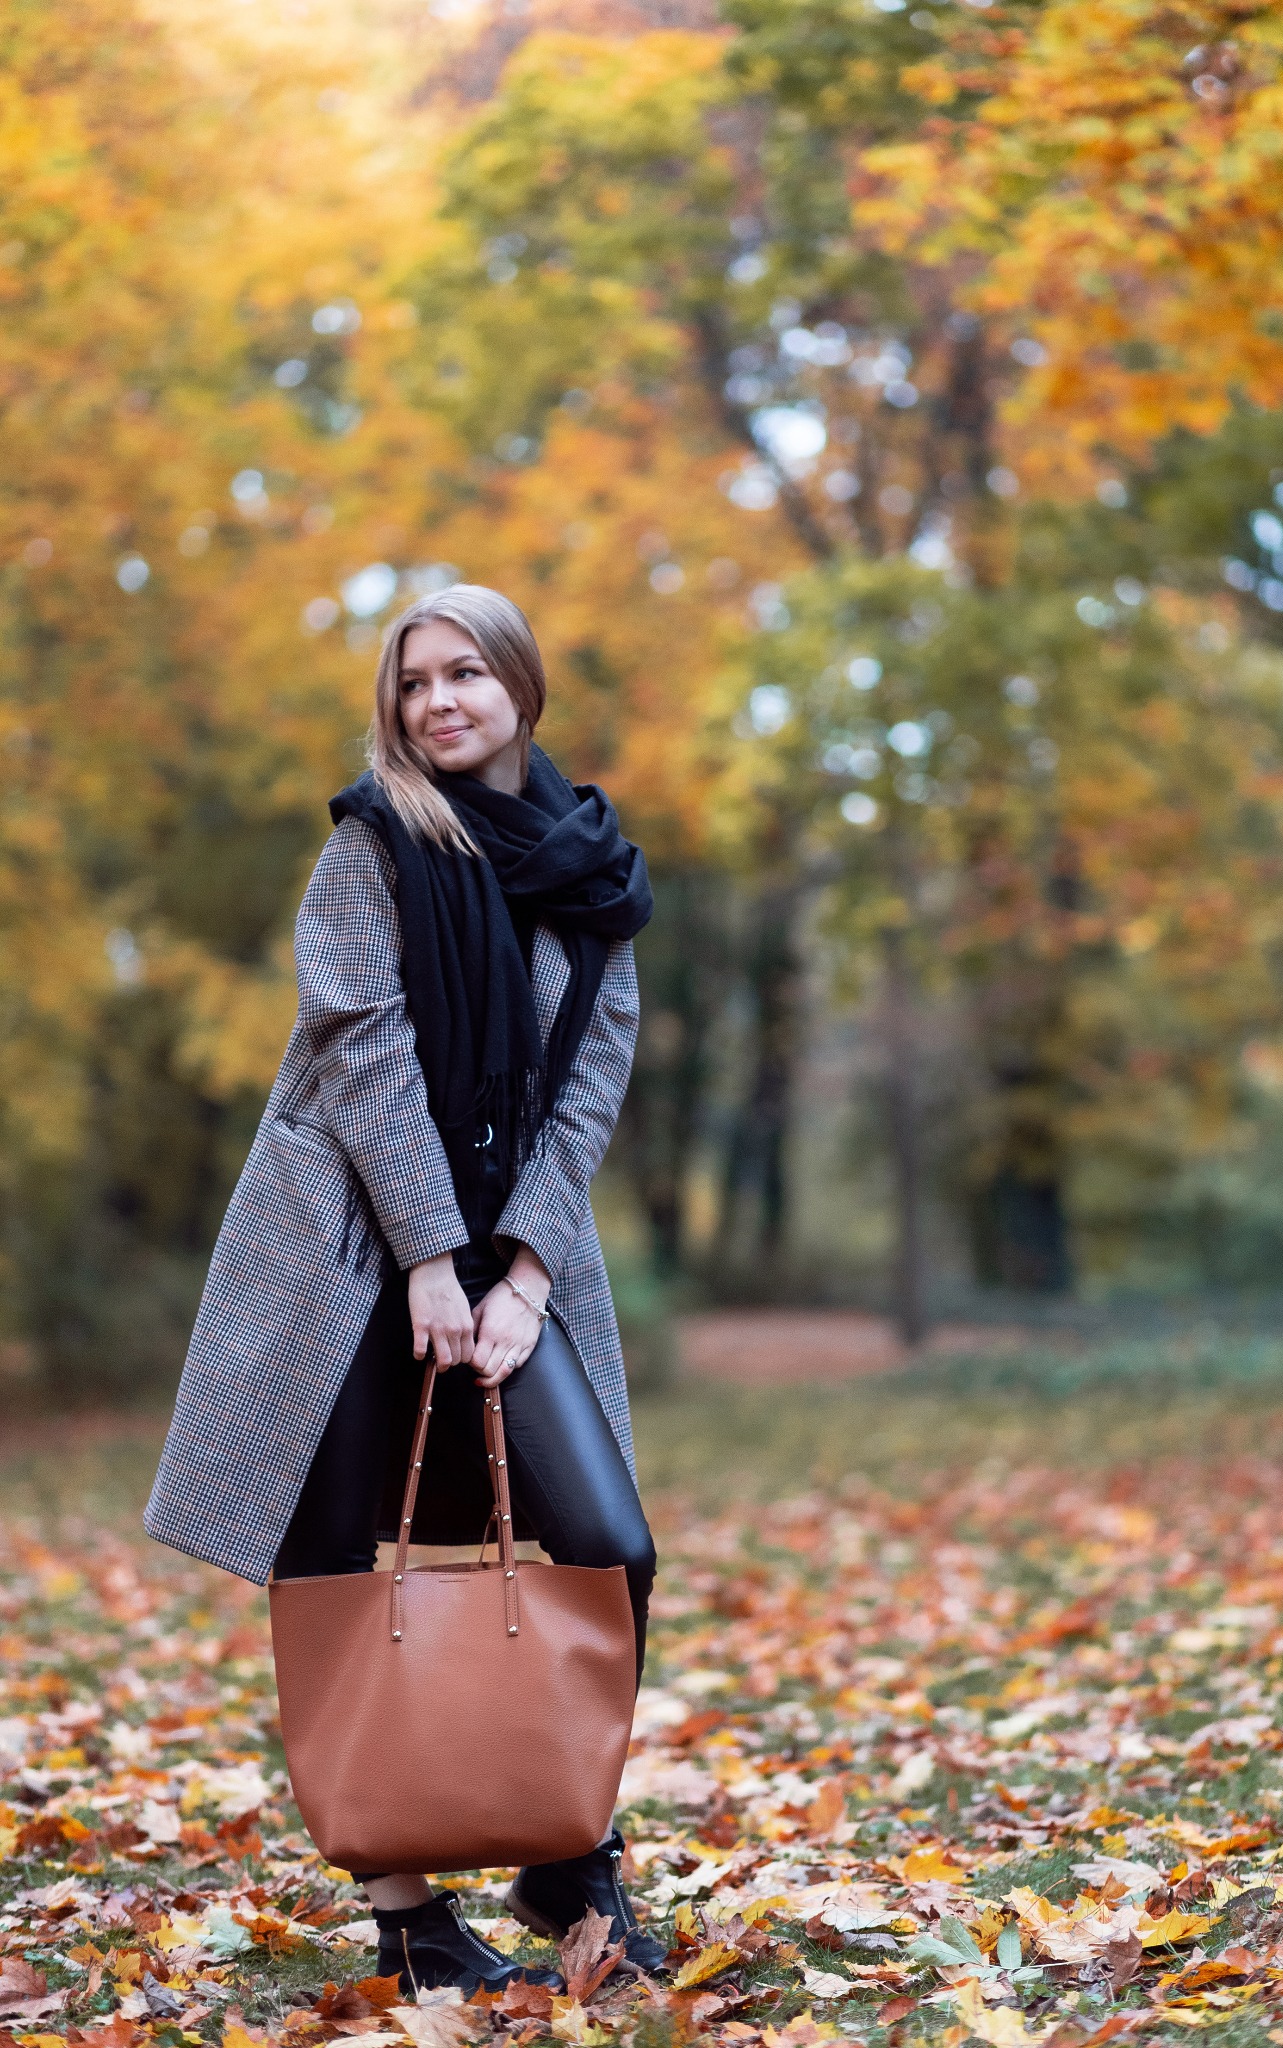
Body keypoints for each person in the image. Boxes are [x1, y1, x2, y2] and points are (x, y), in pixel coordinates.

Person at [144, 585, 663, 1994]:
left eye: (465, 674)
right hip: (346, 1244)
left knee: (608, 1541)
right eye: (414, 680)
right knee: (332, 1566)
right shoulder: (373, 846)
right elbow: (361, 1054)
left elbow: (591, 1081)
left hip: (513, 1248)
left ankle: (570, 1853)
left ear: (520, 687)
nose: (438, 701)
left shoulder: (591, 871)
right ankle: (408, 1912)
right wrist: (433, 1257)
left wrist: (527, 1271)